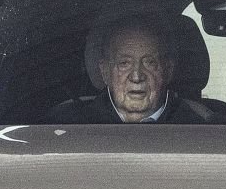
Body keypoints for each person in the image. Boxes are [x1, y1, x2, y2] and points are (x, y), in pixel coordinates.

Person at [52, 19, 213, 124]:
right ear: (105, 72)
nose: (136, 76)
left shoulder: (203, 128)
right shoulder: (67, 126)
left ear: (168, 71)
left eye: (150, 63)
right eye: (124, 63)